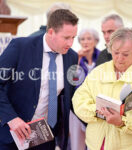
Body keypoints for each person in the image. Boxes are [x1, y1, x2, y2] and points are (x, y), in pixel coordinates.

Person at [0, 9, 78, 150]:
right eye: (66, 38)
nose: (71, 43)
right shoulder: (20, 47)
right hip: (11, 135)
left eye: (74, 37)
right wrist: (12, 118)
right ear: (51, 32)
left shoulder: (72, 57)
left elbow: (72, 96)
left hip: (45, 138)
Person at [72, 27, 132, 150]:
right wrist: (99, 111)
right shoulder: (98, 71)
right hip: (96, 144)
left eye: (125, 54)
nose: (119, 58)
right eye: (115, 53)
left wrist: (121, 121)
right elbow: (79, 100)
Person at [69, 28, 100, 150]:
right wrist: (78, 59)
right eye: (82, 39)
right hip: (77, 107)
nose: (85, 42)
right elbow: (73, 81)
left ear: (96, 41)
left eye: (89, 38)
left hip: (97, 106)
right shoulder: (74, 57)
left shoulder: (103, 57)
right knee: (77, 143)